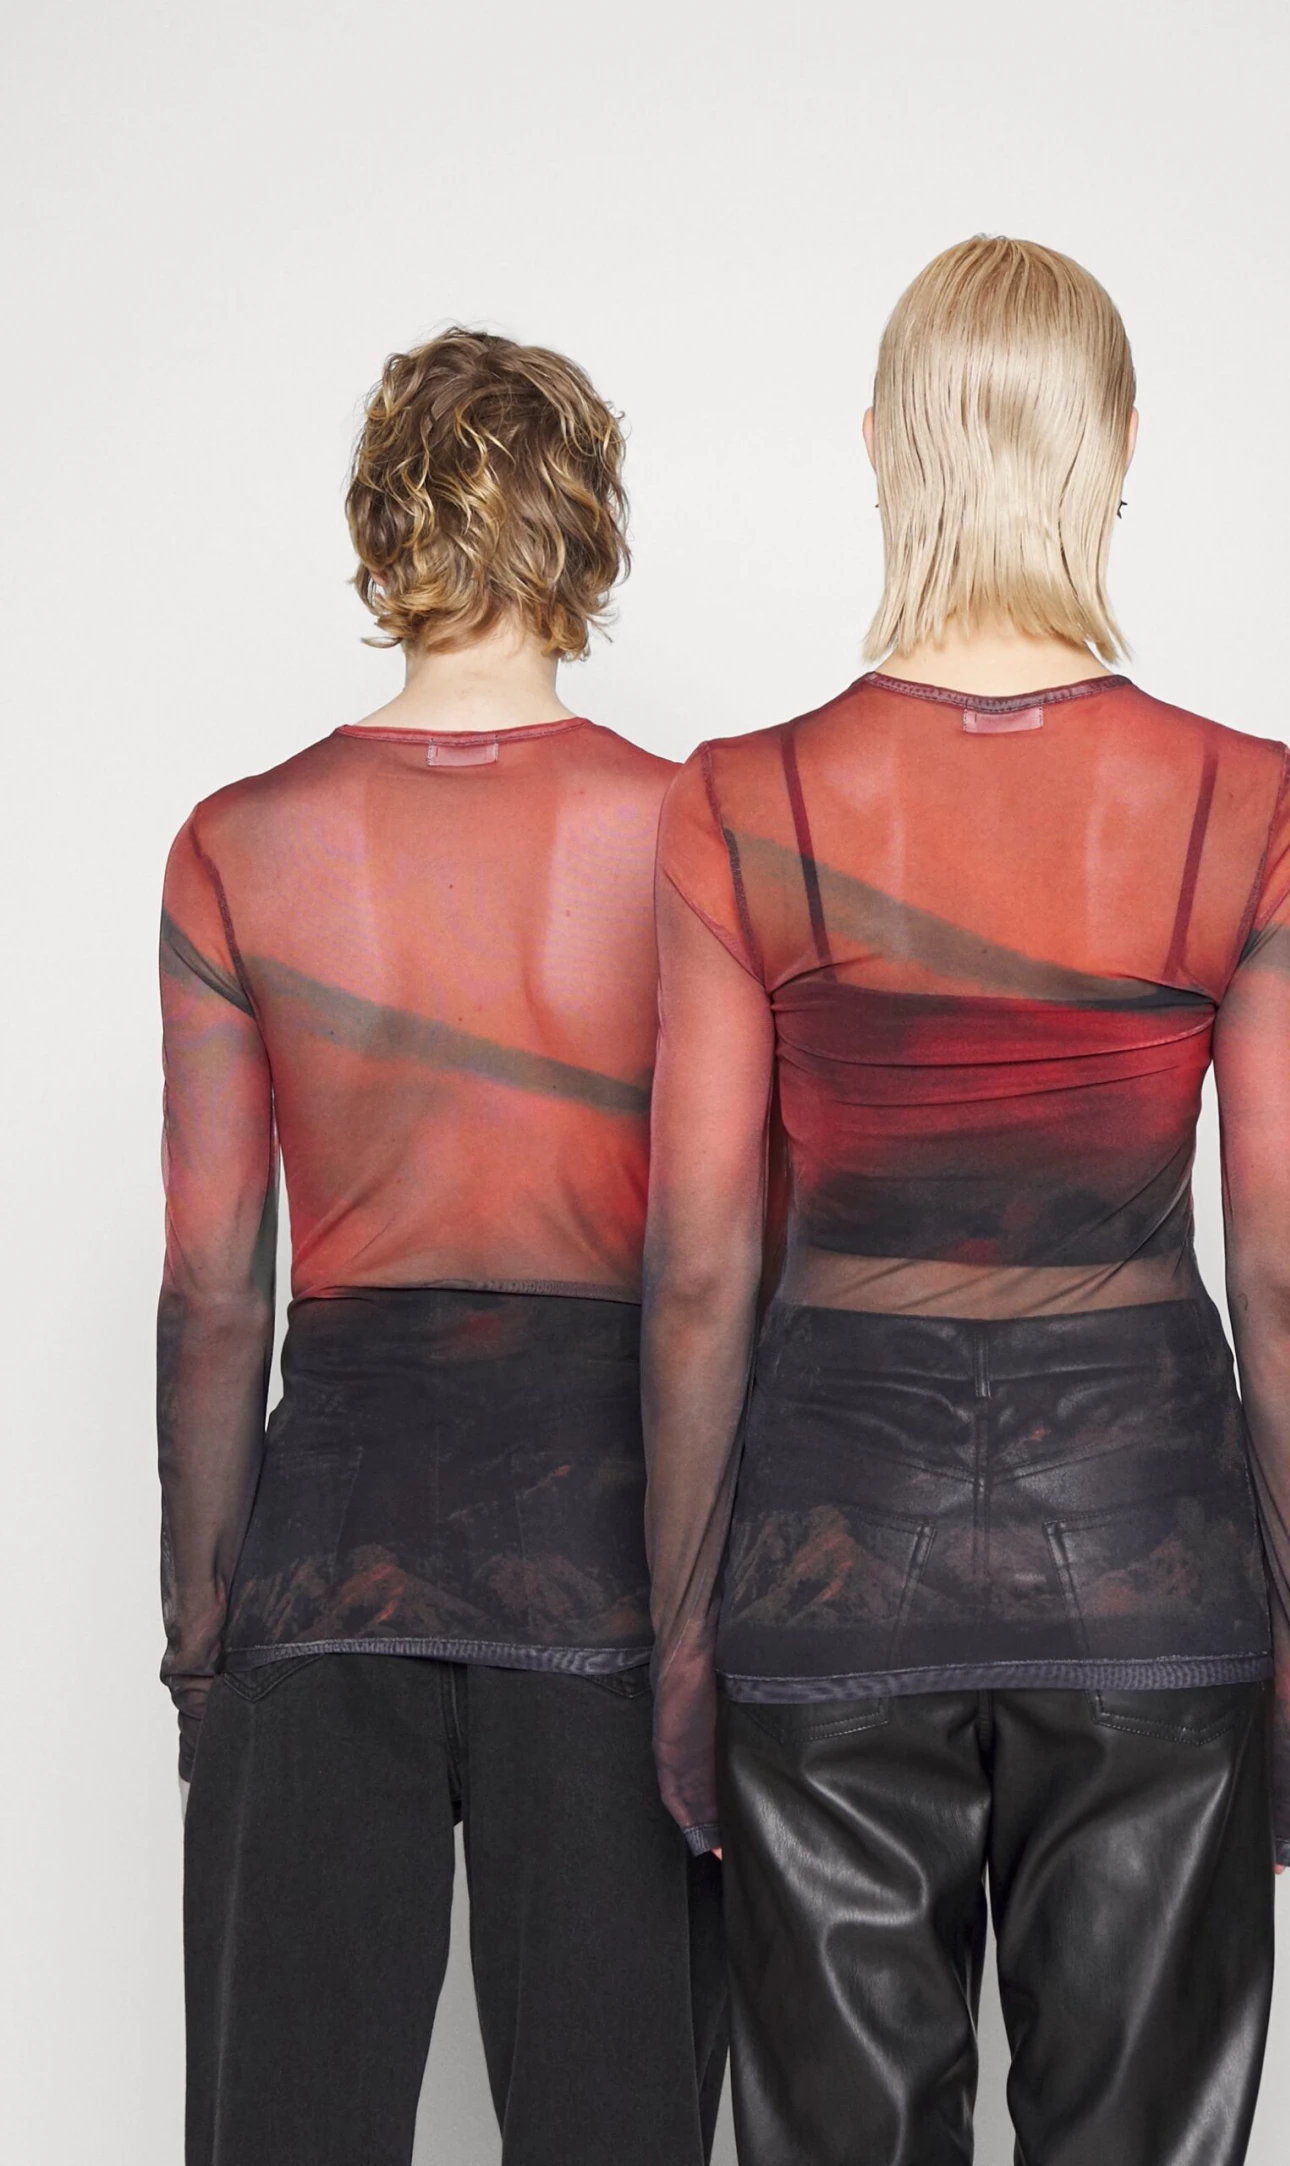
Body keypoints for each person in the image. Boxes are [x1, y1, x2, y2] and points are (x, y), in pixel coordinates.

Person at [643, 238, 1290, 2165]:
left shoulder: (738, 804)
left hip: (825, 1578)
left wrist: (687, 1644)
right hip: (1152, 1578)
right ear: (1115, 444)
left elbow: (697, 1275)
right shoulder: (1252, 803)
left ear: (883, 446)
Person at [158, 327, 725, 2166]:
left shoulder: (241, 844)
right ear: (587, 526)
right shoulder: (691, 837)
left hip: (330, 1559)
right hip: (612, 1568)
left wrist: (203, 1638)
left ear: (384, 520)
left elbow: (216, 1292)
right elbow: (735, 1259)